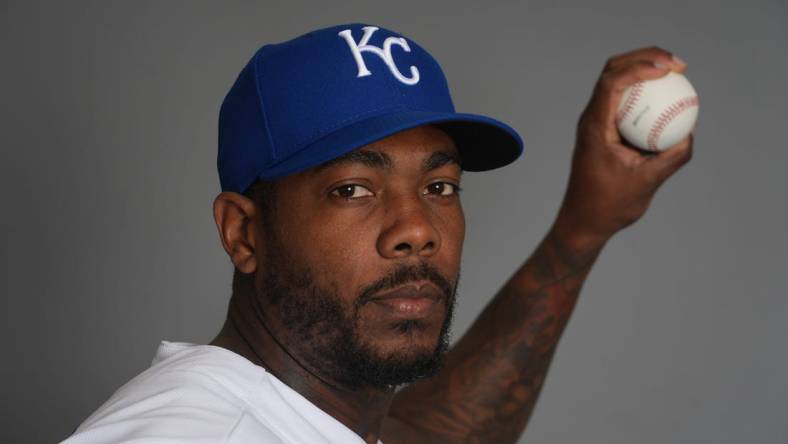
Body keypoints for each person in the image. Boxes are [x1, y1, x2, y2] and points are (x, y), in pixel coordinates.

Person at [62, 23, 692, 444]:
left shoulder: (310, 415)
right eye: (352, 190)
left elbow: (435, 433)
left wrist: (584, 226)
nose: (417, 228)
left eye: (439, 186)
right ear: (243, 232)